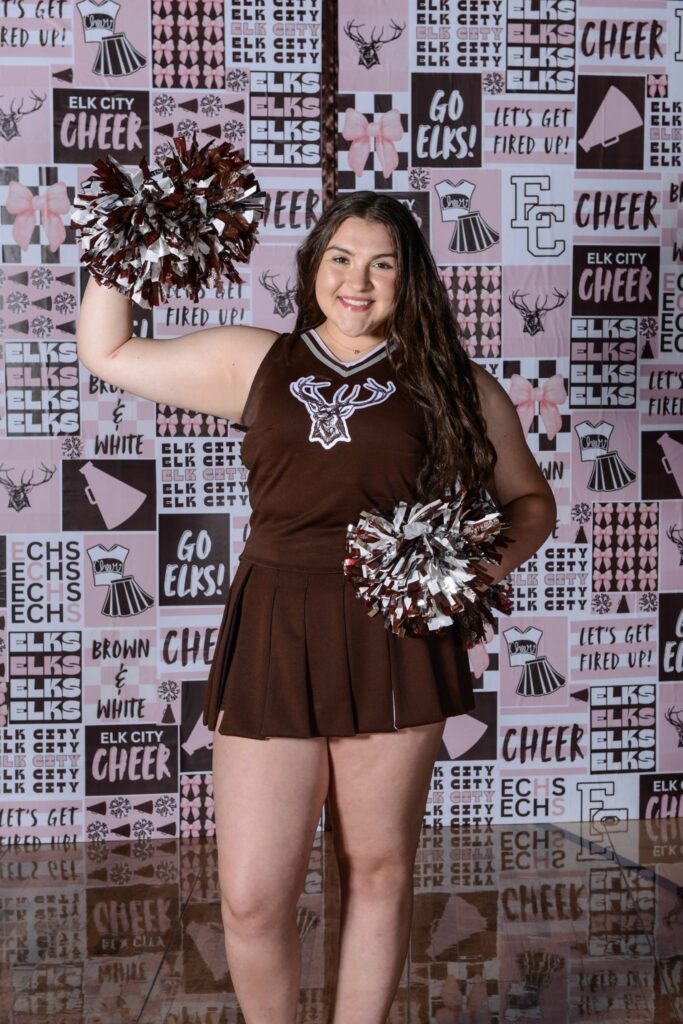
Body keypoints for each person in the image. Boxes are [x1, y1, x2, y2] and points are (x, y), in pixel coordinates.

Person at [76, 190, 556, 1024]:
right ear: (311, 267)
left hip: (394, 634)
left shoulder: (455, 384)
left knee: (376, 868)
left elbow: (530, 503)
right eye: (340, 258)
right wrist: (129, 238)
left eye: (382, 264)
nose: (356, 282)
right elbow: (107, 350)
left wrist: (459, 573)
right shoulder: (256, 362)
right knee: (251, 898)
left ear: (411, 279)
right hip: (275, 625)